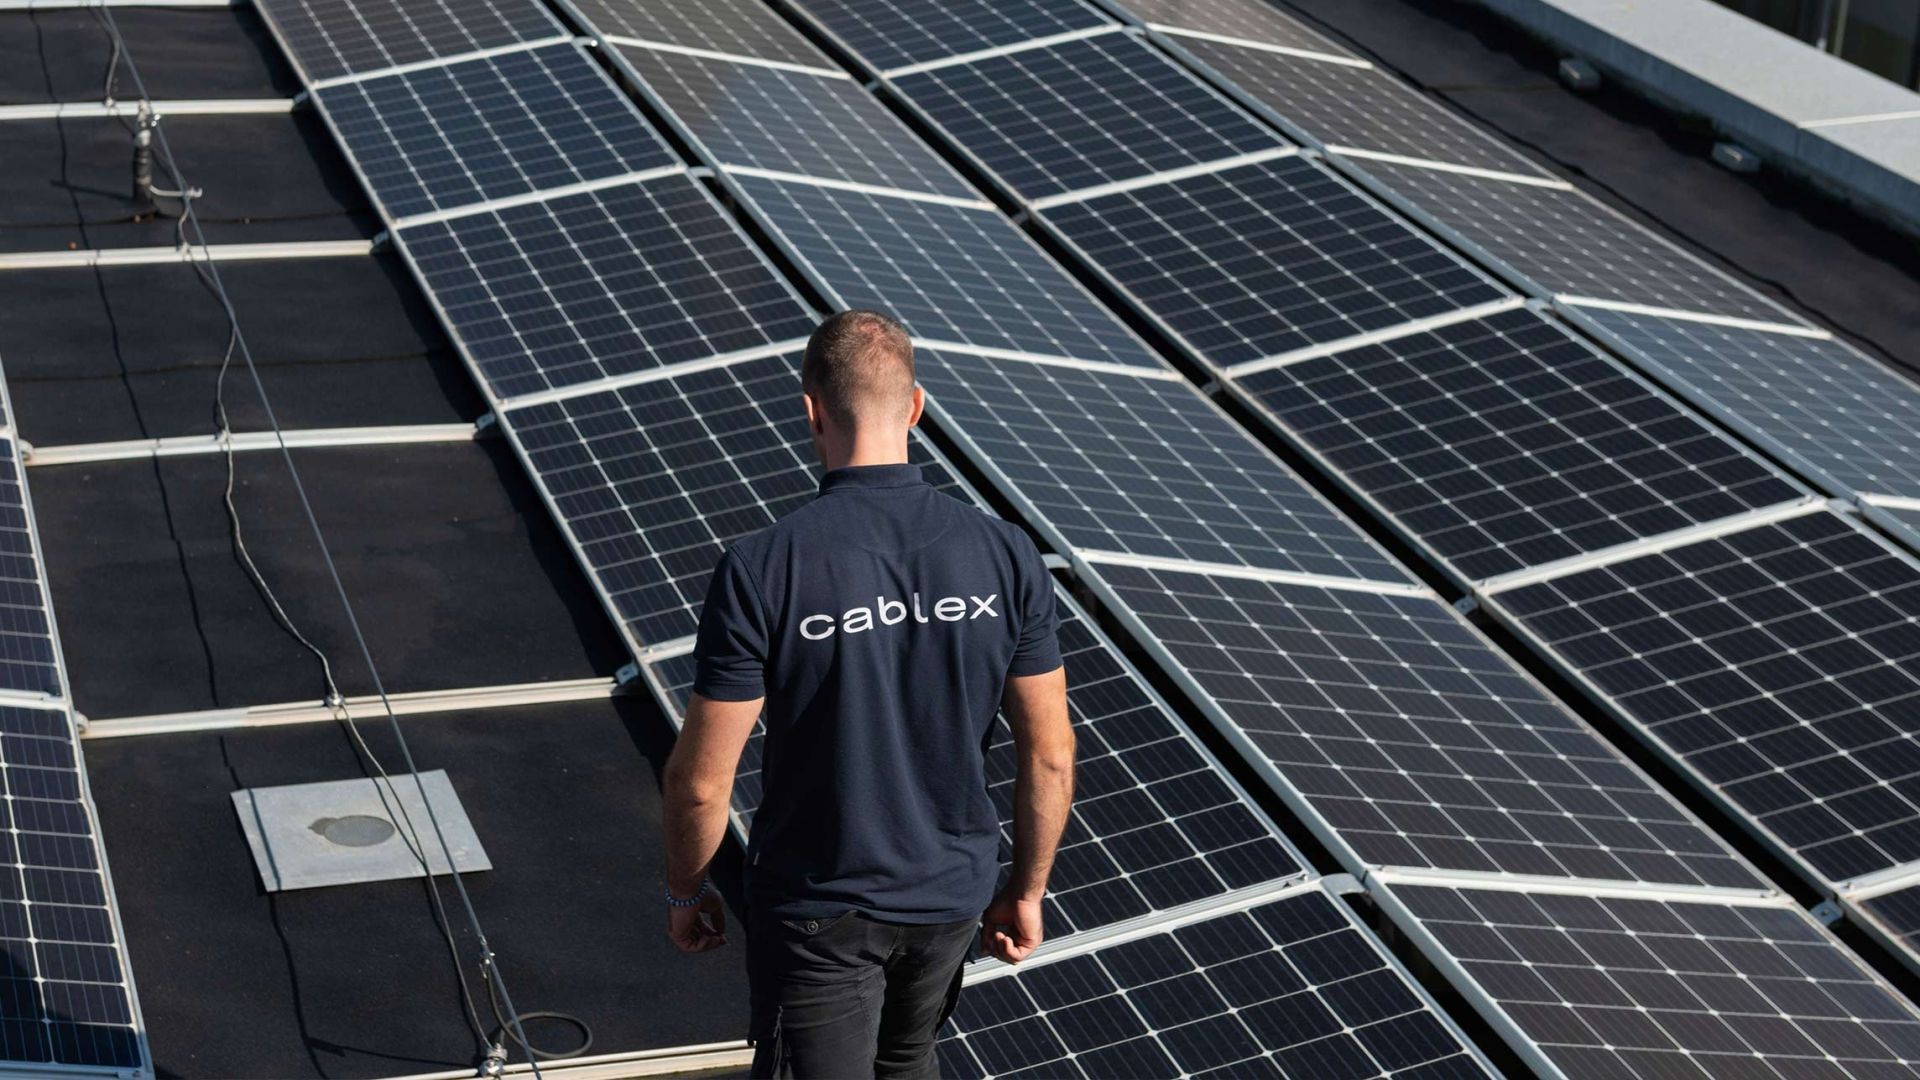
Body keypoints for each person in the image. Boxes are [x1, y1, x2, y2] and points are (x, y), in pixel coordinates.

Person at [660, 309, 1074, 1079]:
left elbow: (700, 782)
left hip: (819, 905)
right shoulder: (1008, 553)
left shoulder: (764, 566)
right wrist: (1027, 888)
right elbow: (1048, 755)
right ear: (916, 407)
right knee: (908, 1060)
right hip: (950, 897)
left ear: (811, 411)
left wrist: (687, 890)